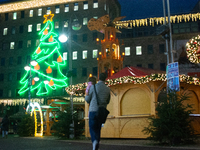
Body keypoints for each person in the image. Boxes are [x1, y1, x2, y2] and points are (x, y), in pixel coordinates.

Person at [85, 73, 110, 150]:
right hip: (101, 111)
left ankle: (94, 141)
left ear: (98, 78)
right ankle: (97, 144)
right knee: (98, 128)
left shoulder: (93, 87)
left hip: (93, 110)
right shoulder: (107, 89)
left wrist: (86, 94)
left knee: (92, 128)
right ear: (105, 79)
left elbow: (87, 99)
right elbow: (108, 101)